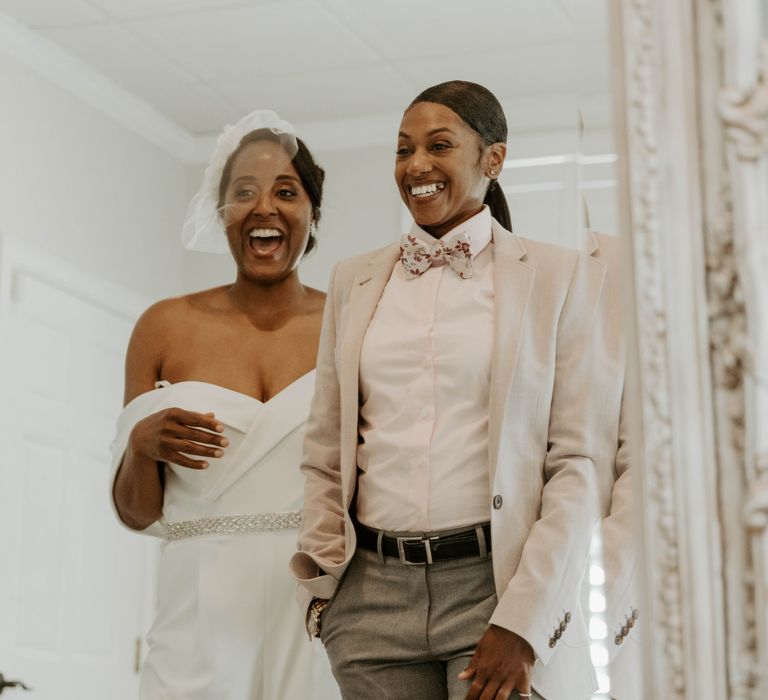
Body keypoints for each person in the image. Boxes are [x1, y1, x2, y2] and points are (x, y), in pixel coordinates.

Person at [290, 81, 620, 700]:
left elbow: (578, 465)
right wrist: (324, 594)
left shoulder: (563, 278)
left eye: (438, 146)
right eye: (402, 149)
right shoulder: (351, 280)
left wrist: (524, 620)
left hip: (494, 590)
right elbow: (323, 449)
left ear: (492, 160)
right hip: (369, 604)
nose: (416, 165)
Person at [109, 110, 339, 700]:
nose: (264, 207)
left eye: (286, 192)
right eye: (244, 192)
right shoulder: (163, 326)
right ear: (222, 213)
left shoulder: (350, 320)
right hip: (198, 610)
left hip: (316, 598)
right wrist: (140, 448)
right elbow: (136, 514)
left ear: (312, 212)